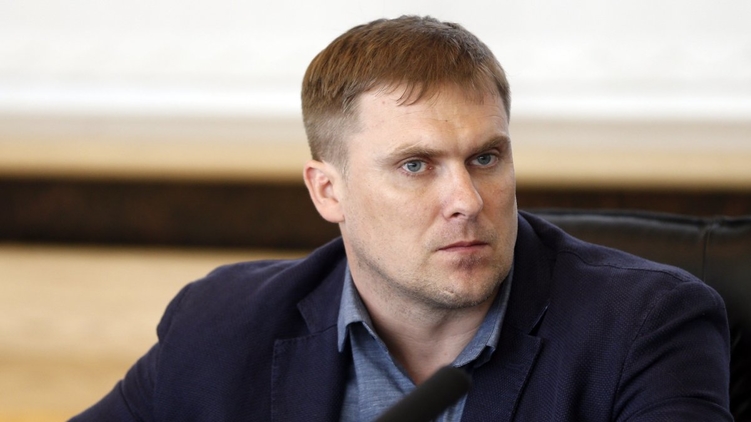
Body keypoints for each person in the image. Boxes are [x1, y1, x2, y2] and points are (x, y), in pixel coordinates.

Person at [71, 16, 732, 421]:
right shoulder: (220, 324)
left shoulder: (645, 327)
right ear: (328, 192)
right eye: (415, 165)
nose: (467, 199)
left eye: (485, 158)